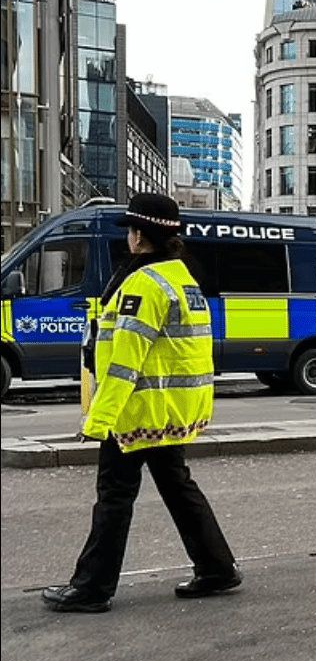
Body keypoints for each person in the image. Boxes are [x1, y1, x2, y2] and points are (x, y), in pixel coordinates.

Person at [42, 193, 241, 613]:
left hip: (136, 413)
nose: (128, 238)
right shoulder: (180, 277)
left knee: (114, 497)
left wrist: (99, 419)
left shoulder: (143, 284)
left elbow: (123, 364)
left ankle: (92, 588)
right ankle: (217, 568)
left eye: (131, 230)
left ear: (139, 236)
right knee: (177, 487)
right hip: (169, 410)